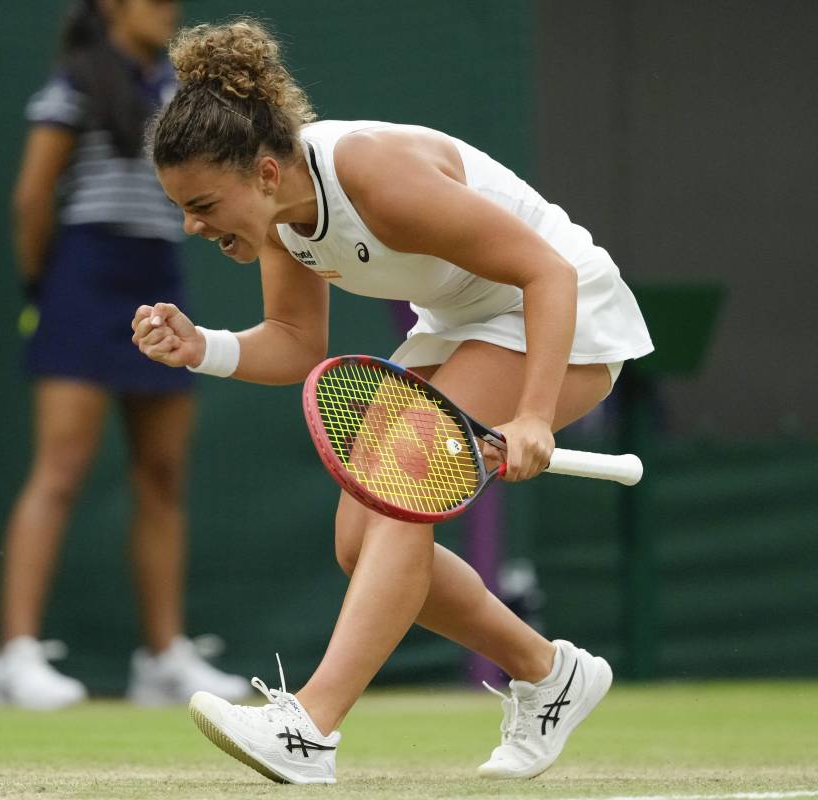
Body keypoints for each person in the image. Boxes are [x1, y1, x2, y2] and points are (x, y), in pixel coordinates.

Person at [130, 18, 653, 783]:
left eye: (203, 203)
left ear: (265, 175)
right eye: (183, 207)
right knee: (359, 539)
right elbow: (294, 342)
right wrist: (199, 346)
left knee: (403, 491)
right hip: (464, 324)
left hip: (558, 312)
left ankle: (310, 726)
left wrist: (535, 413)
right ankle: (550, 674)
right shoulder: (283, 219)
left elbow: (549, 274)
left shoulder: (372, 176)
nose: (191, 225)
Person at [0, 0, 247, 710]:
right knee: (61, 469)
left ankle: (162, 659)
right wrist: (44, 288)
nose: (167, 9)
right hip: (81, 283)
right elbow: (31, 198)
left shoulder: (174, 91)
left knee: (162, 475)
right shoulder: (71, 84)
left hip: (159, 279)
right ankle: (13, 657)